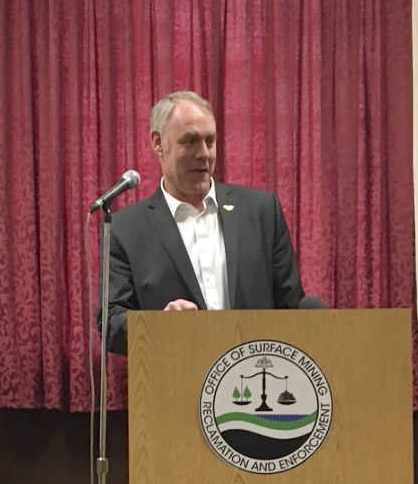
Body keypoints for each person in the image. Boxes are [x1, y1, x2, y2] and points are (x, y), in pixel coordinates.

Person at [101, 91, 306, 355]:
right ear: (158, 143)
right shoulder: (126, 230)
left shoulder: (262, 212)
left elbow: (293, 309)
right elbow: (111, 323)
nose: (204, 154)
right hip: (177, 372)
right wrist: (159, 325)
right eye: (190, 141)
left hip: (254, 374)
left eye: (210, 141)